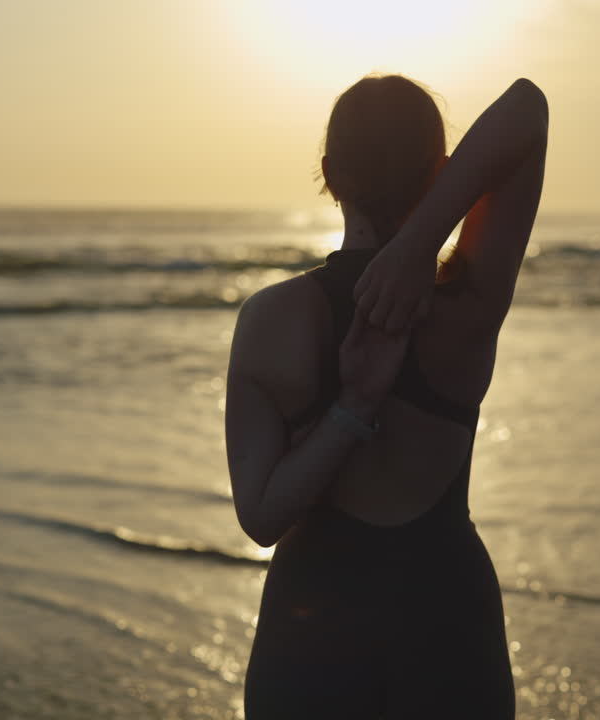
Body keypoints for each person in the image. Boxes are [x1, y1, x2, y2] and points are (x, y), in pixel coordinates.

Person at [225, 74, 548, 718]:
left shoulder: (270, 318)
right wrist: (420, 244)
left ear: (328, 172)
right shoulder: (465, 302)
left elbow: (262, 519)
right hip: (450, 636)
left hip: (309, 644)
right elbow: (526, 109)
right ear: (444, 172)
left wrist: (351, 411)